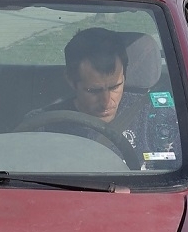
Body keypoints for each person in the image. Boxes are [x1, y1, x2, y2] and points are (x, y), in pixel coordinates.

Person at [29, 28, 179, 170]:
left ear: (125, 76)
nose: (106, 102)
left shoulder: (155, 116)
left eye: (115, 87)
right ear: (70, 80)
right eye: (93, 90)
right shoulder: (44, 126)